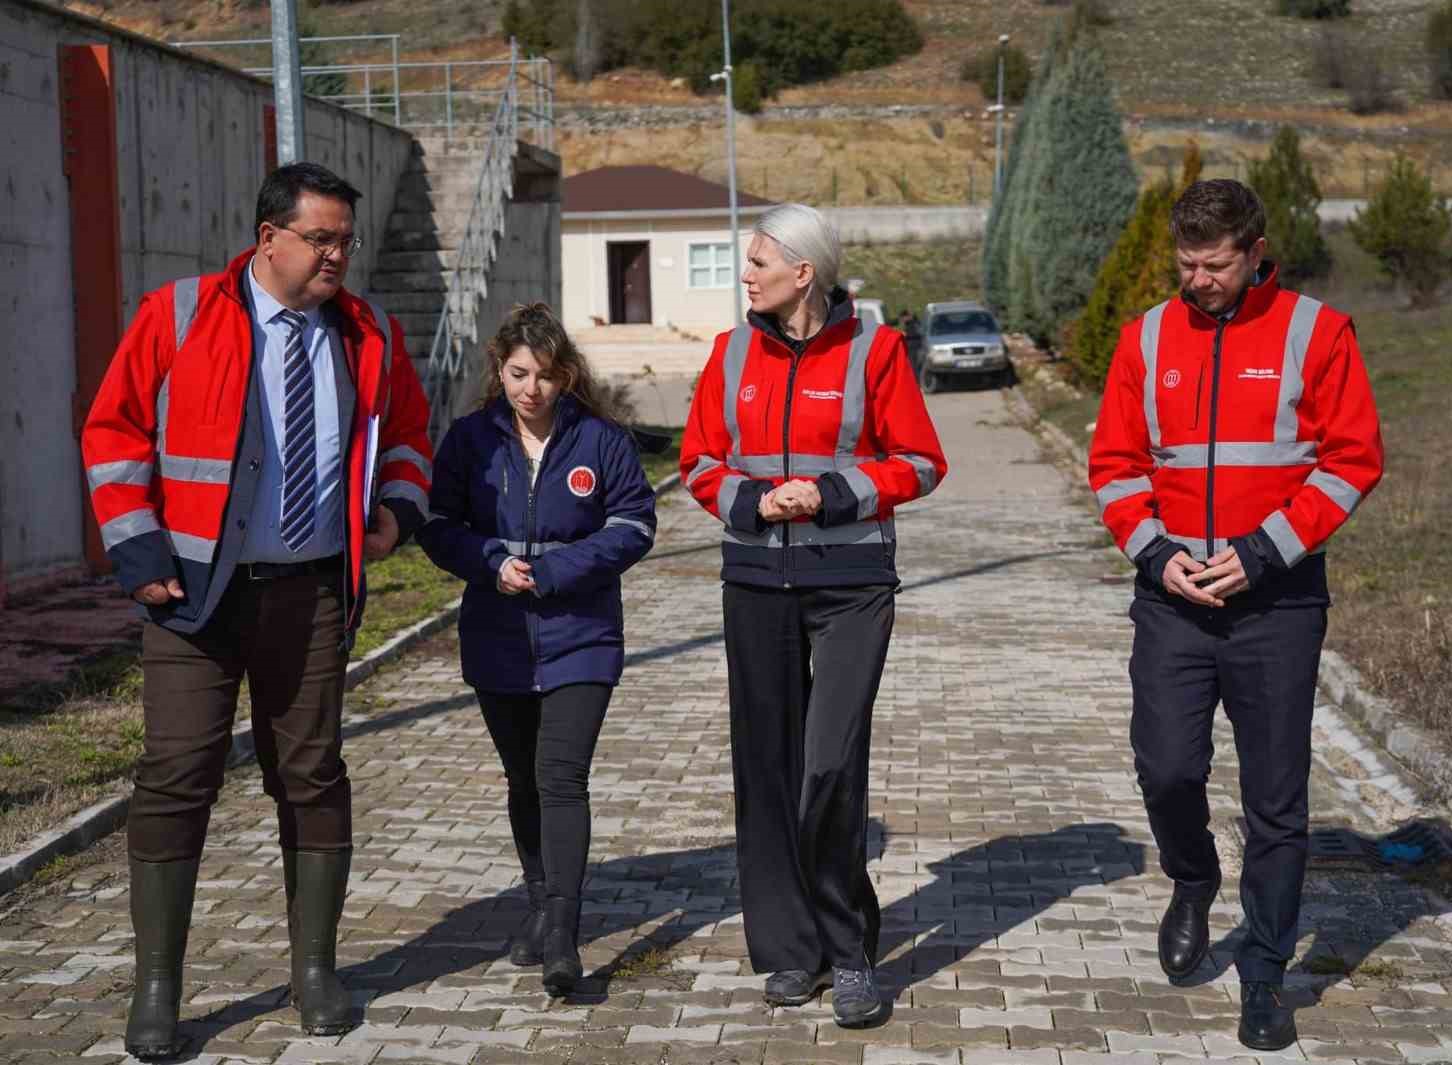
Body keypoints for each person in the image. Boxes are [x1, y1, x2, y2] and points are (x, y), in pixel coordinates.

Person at [80, 162, 433, 1058]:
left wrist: (399, 509)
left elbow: (407, 435)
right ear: (268, 237)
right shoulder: (180, 313)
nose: (337, 256)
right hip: (193, 595)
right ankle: (157, 989)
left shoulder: (369, 334)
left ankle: (315, 971)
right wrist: (138, 549)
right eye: (320, 239)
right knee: (176, 773)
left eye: (345, 240)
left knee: (312, 774)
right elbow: (114, 430)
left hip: (312, 593)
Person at [1087, 179, 1384, 1051]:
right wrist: (1155, 553)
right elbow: (1113, 464)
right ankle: (1192, 877)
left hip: (1278, 603)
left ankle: (1264, 972)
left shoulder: (1316, 331)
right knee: (1167, 767)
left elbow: (1353, 459)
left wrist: (1263, 551)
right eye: (1186, 264)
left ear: (1257, 253)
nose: (1198, 281)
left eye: (1215, 265)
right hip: (1172, 599)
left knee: (1276, 799)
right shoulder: (1147, 337)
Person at [679, 203, 947, 1028]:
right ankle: (791, 951)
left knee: (829, 764)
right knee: (766, 769)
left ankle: (849, 949)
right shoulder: (728, 354)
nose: (745, 274)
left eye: (758, 262)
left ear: (804, 273)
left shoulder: (877, 350)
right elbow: (697, 462)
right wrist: (758, 501)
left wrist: (828, 494)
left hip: (851, 585)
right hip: (756, 582)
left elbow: (922, 462)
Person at [417, 303, 656, 995]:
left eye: (546, 375)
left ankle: (561, 935)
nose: (532, 389)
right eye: (520, 374)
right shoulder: (470, 440)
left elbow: (635, 525)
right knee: (523, 780)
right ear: (500, 369)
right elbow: (437, 524)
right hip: (497, 634)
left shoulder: (600, 439)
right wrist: (490, 562)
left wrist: (555, 571)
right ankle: (540, 902)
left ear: (566, 375)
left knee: (561, 777)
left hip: (582, 633)